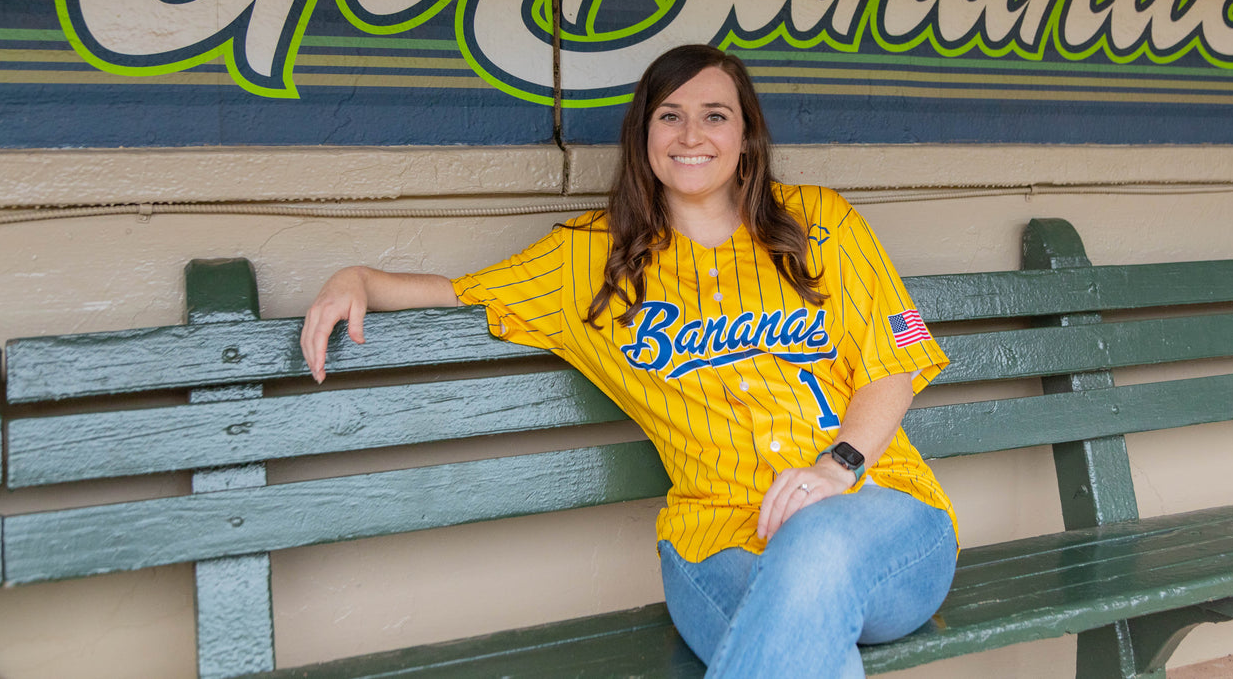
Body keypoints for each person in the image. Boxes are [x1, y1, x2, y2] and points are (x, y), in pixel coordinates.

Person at [300, 44, 959, 678]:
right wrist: (359, 276)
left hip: (878, 516)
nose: (690, 133)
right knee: (805, 646)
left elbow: (893, 363)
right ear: (642, 136)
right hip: (715, 541)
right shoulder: (588, 258)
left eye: (714, 115)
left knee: (812, 546)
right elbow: (459, 291)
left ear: (746, 134)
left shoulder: (822, 221)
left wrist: (834, 467)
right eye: (668, 115)